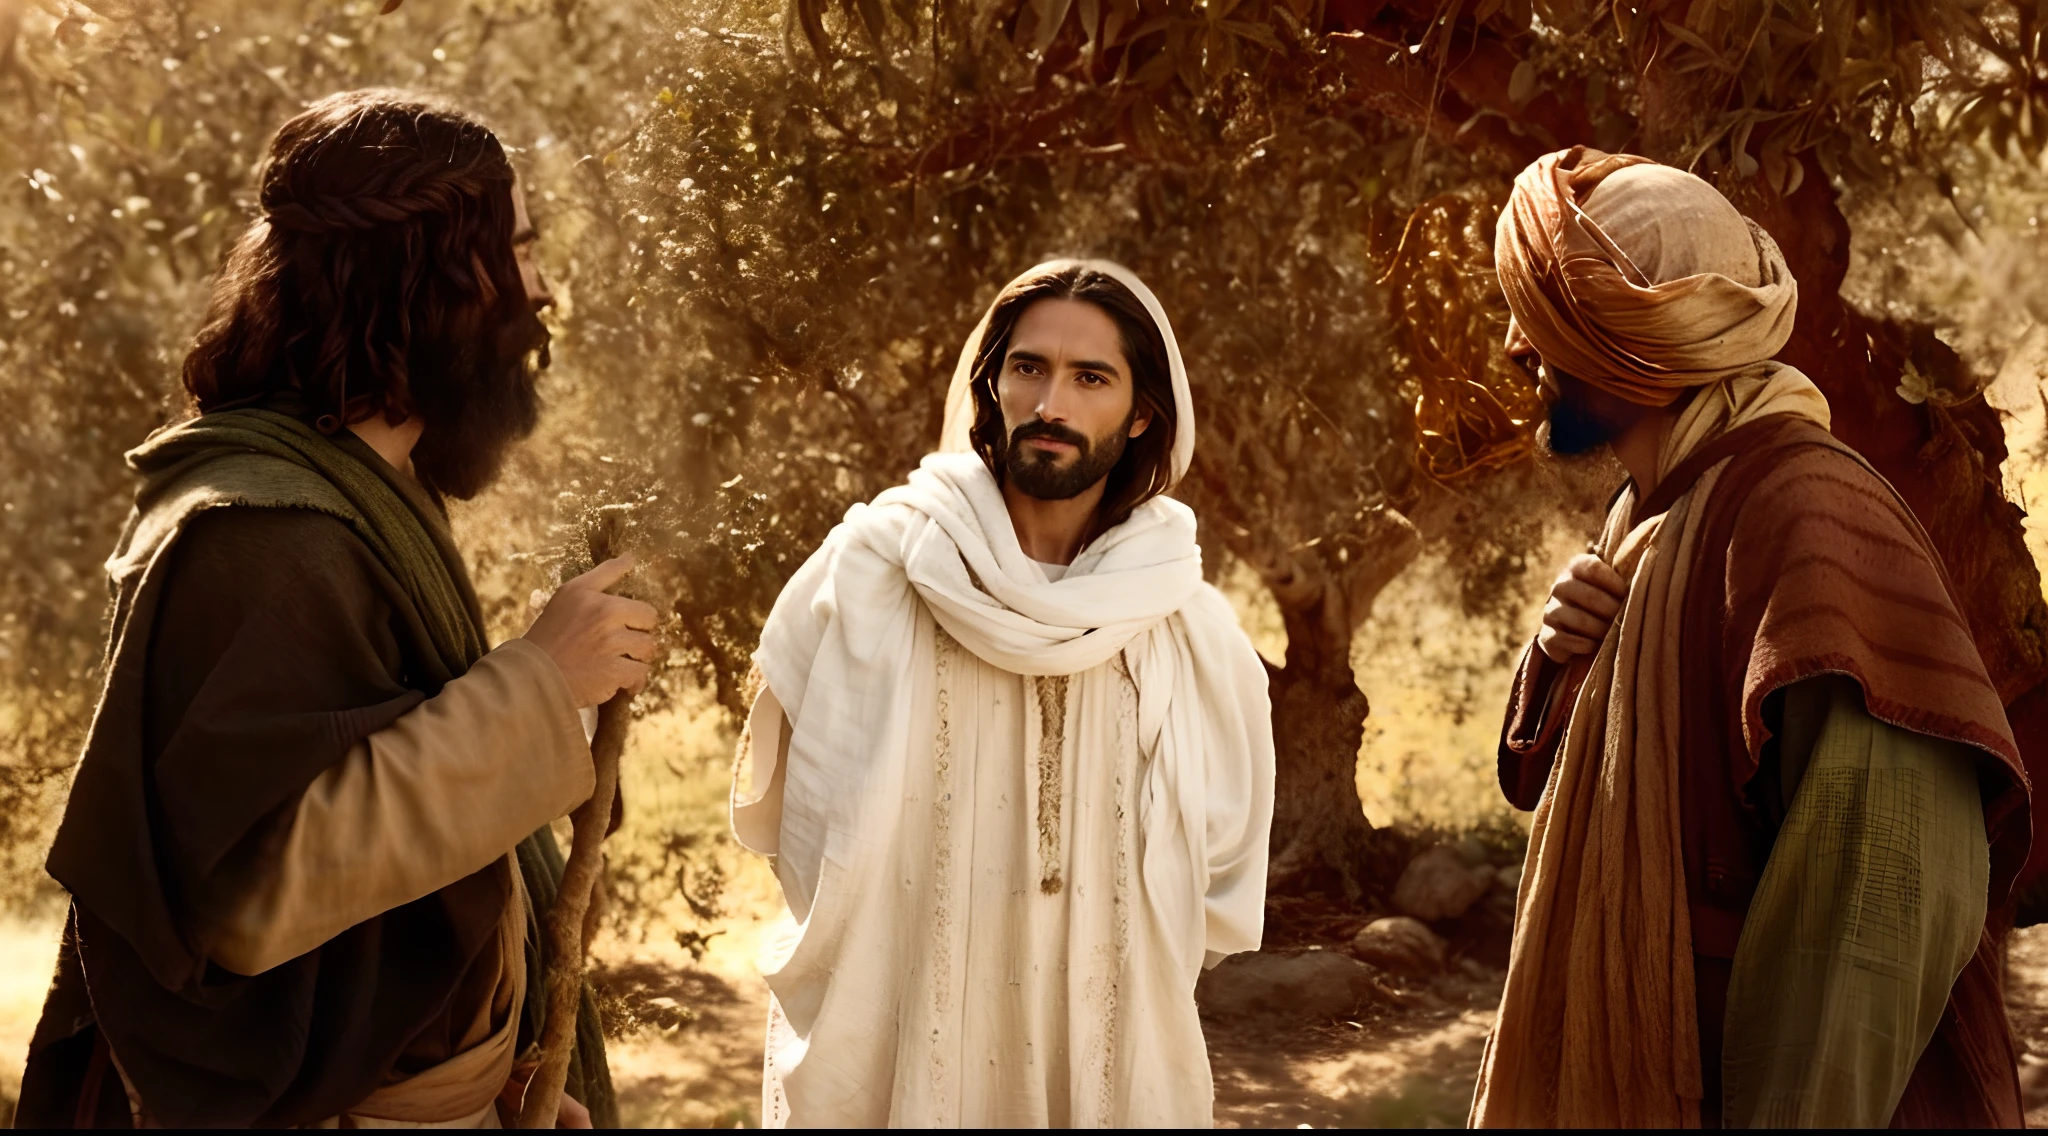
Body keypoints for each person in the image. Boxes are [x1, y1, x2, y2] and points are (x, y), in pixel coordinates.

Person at [15, 89, 653, 1128]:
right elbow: (257, 888)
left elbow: (399, 869)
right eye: (519, 252)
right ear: (424, 279)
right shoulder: (258, 533)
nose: (540, 291)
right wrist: (535, 683)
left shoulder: (375, 492)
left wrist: (494, 1084)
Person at [1469, 147, 2034, 1128]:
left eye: (1544, 319)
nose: (1518, 347)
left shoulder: (1804, 515)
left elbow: (1875, 907)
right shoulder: (1655, 515)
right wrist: (1560, 663)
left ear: (1620, 345)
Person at [728, 259, 1276, 1127]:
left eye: (1090, 377)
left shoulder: (1184, 627)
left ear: (1142, 415)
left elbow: (1214, 876)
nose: (1051, 404)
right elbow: (794, 813)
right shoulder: (876, 568)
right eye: (1028, 368)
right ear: (992, 386)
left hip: (1103, 1058)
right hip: (903, 1050)